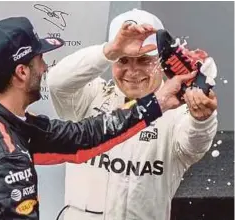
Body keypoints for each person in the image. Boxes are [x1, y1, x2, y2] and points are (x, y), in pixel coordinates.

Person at [0, 16, 190, 220]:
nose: (45, 68)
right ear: (22, 72)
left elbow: (81, 138)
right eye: (40, 60)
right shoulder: (8, 163)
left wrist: (158, 102)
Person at [47, 9, 218, 220]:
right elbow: (56, 83)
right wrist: (109, 51)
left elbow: (195, 145)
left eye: (144, 60)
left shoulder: (179, 112)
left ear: (161, 62)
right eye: (123, 60)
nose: (133, 71)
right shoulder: (92, 96)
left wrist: (202, 119)